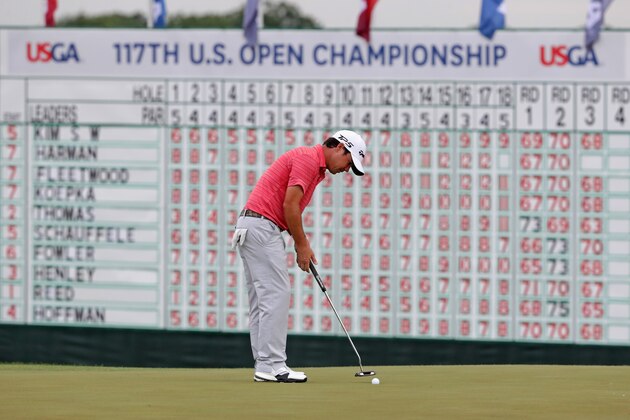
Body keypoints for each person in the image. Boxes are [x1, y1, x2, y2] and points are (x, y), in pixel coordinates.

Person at [232, 130, 366, 383]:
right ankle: (273, 365)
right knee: (276, 294)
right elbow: (290, 205)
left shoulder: (314, 166)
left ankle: (265, 365)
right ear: (340, 148)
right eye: (349, 163)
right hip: (262, 227)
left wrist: (299, 243)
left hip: (254, 226)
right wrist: (301, 245)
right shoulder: (307, 159)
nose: (347, 170)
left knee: (264, 299)